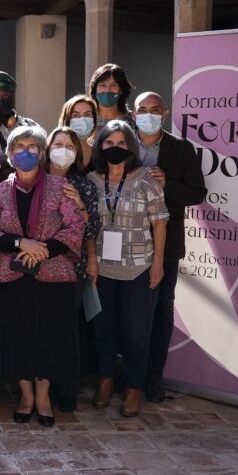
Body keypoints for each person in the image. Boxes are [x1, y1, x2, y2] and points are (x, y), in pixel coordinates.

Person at [0, 126, 85, 428]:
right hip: (11, 278)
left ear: (41, 152)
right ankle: (25, 395)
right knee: (18, 337)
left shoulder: (58, 187)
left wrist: (43, 250)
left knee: (50, 338)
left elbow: (75, 226)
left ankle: (44, 396)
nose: (26, 151)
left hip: (53, 277)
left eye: (32, 146)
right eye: (19, 146)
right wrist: (20, 244)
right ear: (10, 154)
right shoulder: (0, 191)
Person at [87, 120, 169, 417]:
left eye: (122, 143)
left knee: (136, 333)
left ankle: (134, 387)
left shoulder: (147, 178)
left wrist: (157, 263)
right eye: (109, 143)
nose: (115, 148)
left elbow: (159, 222)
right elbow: (87, 226)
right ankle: (106, 381)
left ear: (131, 147)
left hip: (138, 269)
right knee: (103, 331)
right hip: (102, 270)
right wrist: (92, 258)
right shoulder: (92, 180)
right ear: (100, 147)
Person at [133, 92, 206, 404]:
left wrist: (167, 184)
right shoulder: (122, 141)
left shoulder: (180, 148)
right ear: (133, 113)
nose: (148, 114)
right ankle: (128, 374)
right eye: (142, 110)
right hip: (125, 241)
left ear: (164, 113)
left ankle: (153, 378)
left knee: (161, 310)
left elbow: (197, 193)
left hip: (169, 243)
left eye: (154, 110)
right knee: (129, 310)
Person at [44, 126, 102, 412]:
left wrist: (81, 206)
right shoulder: (35, 180)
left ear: (77, 153)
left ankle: (66, 387)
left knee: (68, 328)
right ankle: (41, 386)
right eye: (58, 143)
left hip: (72, 268)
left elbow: (92, 229)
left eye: (69, 145)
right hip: (37, 267)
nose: (63, 149)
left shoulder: (84, 185)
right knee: (41, 327)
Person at [0, 71, 39, 173]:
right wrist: (14, 156)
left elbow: (42, 157)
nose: (1, 101)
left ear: (13, 98)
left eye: (6, 96)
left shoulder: (30, 126)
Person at [87, 63, 136, 130]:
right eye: (102, 85)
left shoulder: (132, 120)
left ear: (121, 90)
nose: (107, 90)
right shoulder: (87, 119)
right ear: (95, 88)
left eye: (113, 85)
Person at [58, 94, 99, 169]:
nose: (82, 119)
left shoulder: (99, 154)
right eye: (76, 115)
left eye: (87, 114)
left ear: (94, 119)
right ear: (67, 120)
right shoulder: (58, 152)